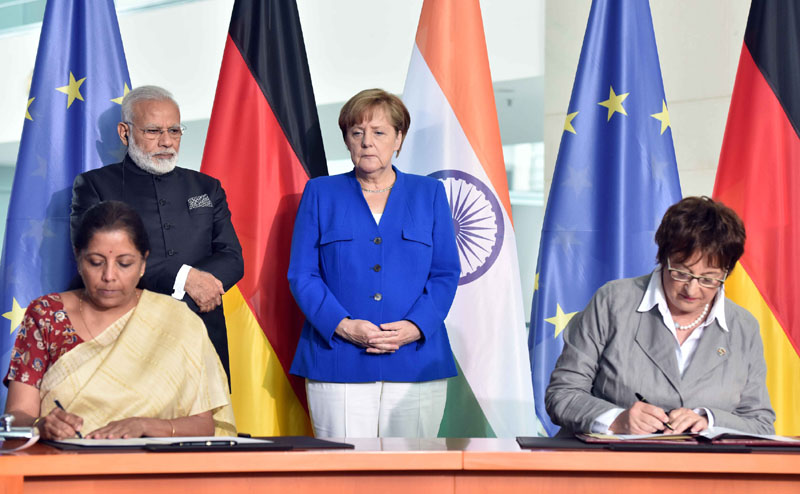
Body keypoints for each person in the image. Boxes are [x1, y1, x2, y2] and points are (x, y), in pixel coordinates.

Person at [288, 88, 461, 438]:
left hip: (415, 356)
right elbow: (302, 274)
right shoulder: (320, 193)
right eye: (357, 133)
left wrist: (416, 325)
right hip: (337, 355)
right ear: (348, 142)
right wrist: (343, 325)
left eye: (379, 133)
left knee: (412, 478)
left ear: (399, 139)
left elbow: (445, 272)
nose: (367, 142)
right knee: (344, 477)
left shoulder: (429, 194)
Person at [546, 196, 775, 436]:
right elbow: (562, 394)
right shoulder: (613, 302)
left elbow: (760, 423)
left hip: (704, 470)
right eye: (681, 272)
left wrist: (710, 421)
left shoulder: (743, 326)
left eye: (709, 279)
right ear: (663, 258)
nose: (692, 289)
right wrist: (617, 420)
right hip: (613, 465)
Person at [4, 201, 235, 439]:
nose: (109, 276)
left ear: (143, 263)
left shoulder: (179, 321)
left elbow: (203, 425)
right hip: (61, 466)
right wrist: (41, 426)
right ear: (78, 257)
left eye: (124, 264)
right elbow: (17, 414)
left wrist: (145, 426)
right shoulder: (46, 314)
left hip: (154, 469)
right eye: (95, 262)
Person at [70, 86, 243, 376]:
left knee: (207, 422)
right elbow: (98, 257)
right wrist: (185, 278)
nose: (166, 142)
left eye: (174, 131)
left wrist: (197, 287)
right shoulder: (95, 186)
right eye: (153, 131)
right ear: (125, 133)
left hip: (202, 333)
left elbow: (232, 256)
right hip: (126, 339)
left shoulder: (206, 187)